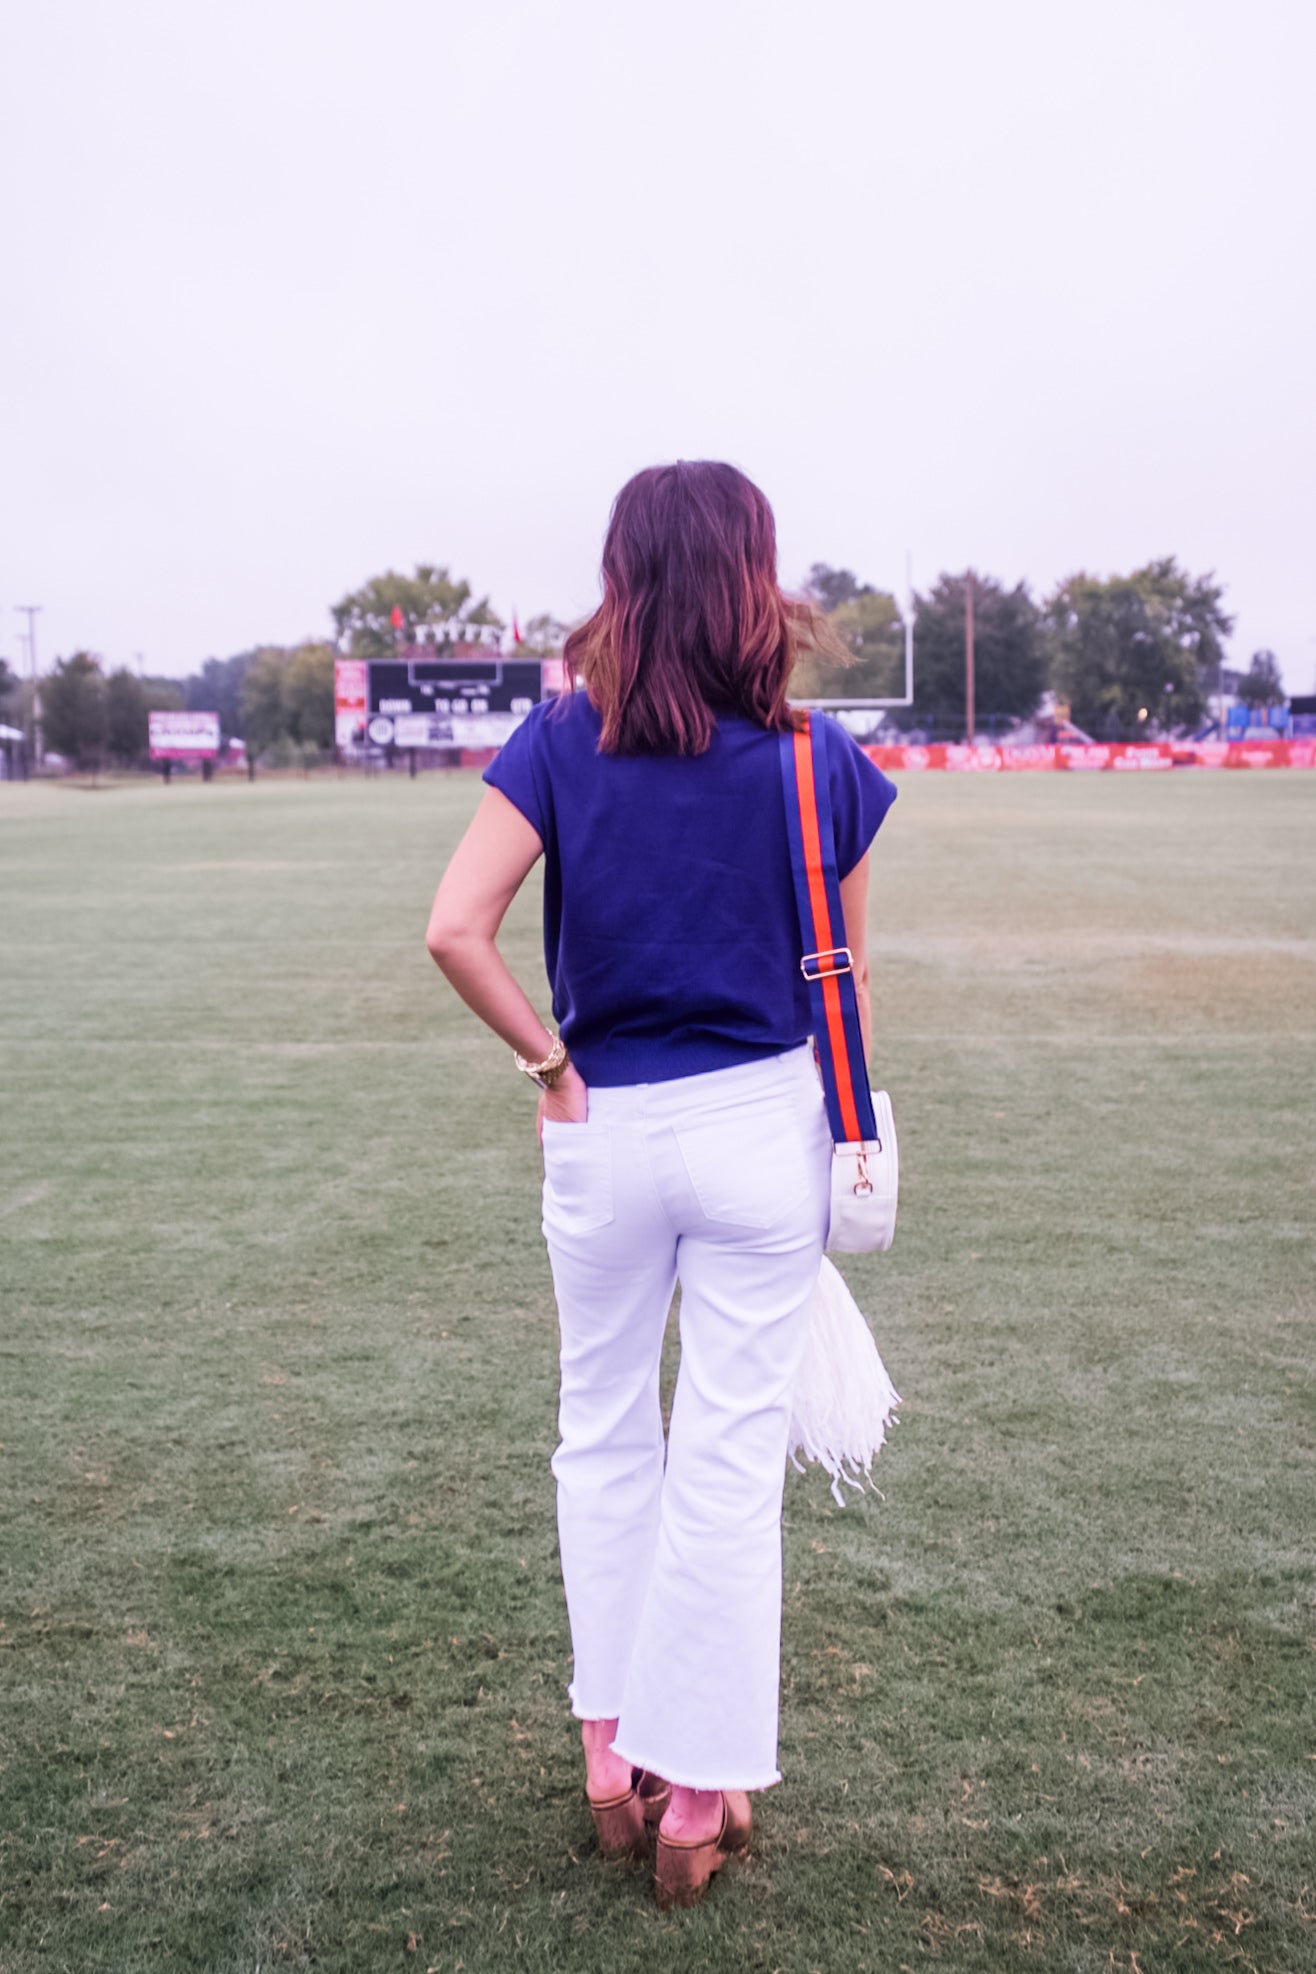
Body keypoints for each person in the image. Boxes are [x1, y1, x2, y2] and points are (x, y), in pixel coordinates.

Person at [425, 460, 897, 1908]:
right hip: (762, 1122)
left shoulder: (562, 738)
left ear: (622, 577)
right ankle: (700, 1791)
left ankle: (607, 1754)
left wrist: (551, 1068)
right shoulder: (820, 761)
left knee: (601, 1433)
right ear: (756, 576)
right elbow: (846, 985)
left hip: (603, 1125)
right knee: (727, 1460)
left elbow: (456, 927)